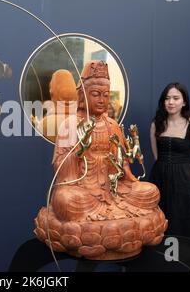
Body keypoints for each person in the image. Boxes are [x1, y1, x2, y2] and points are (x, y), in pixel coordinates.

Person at [34, 60, 167, 260]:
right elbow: (62, 174)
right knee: (65, 201)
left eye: (106, 95)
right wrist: (78, 151)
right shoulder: (70, 125)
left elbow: (122, 164)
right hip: (82, 191)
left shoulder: (112, 125)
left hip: (114, 190)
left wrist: (127, 174)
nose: (102, 100)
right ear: (83, 96)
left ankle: (113, 218)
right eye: (95, 94)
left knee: (150, 192)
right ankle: (111, 222)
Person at [149, 82, 190, 246]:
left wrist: (189, 183)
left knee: (183, 228)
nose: (171, 102)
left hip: (185, 186)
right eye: (167, 98)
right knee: (158, 226)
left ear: (184, 102)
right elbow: (156, 156)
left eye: (176, 98)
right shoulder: (156, 124)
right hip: (159, 181)